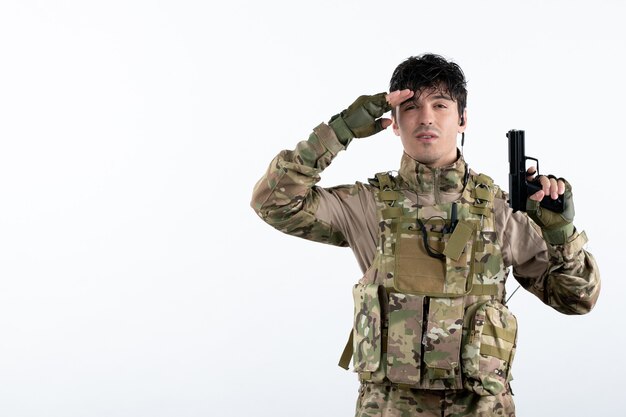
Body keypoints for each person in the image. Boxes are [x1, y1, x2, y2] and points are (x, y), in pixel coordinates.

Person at [250, 53, 600, 416]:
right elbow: (273, 202)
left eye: (440, 104)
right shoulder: (367, 205)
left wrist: (561, 234)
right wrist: (340, 130)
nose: (427, 117)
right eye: (412, 106)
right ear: (395, 123)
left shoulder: (500, 210)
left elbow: (577, 299)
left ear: (462, 119)